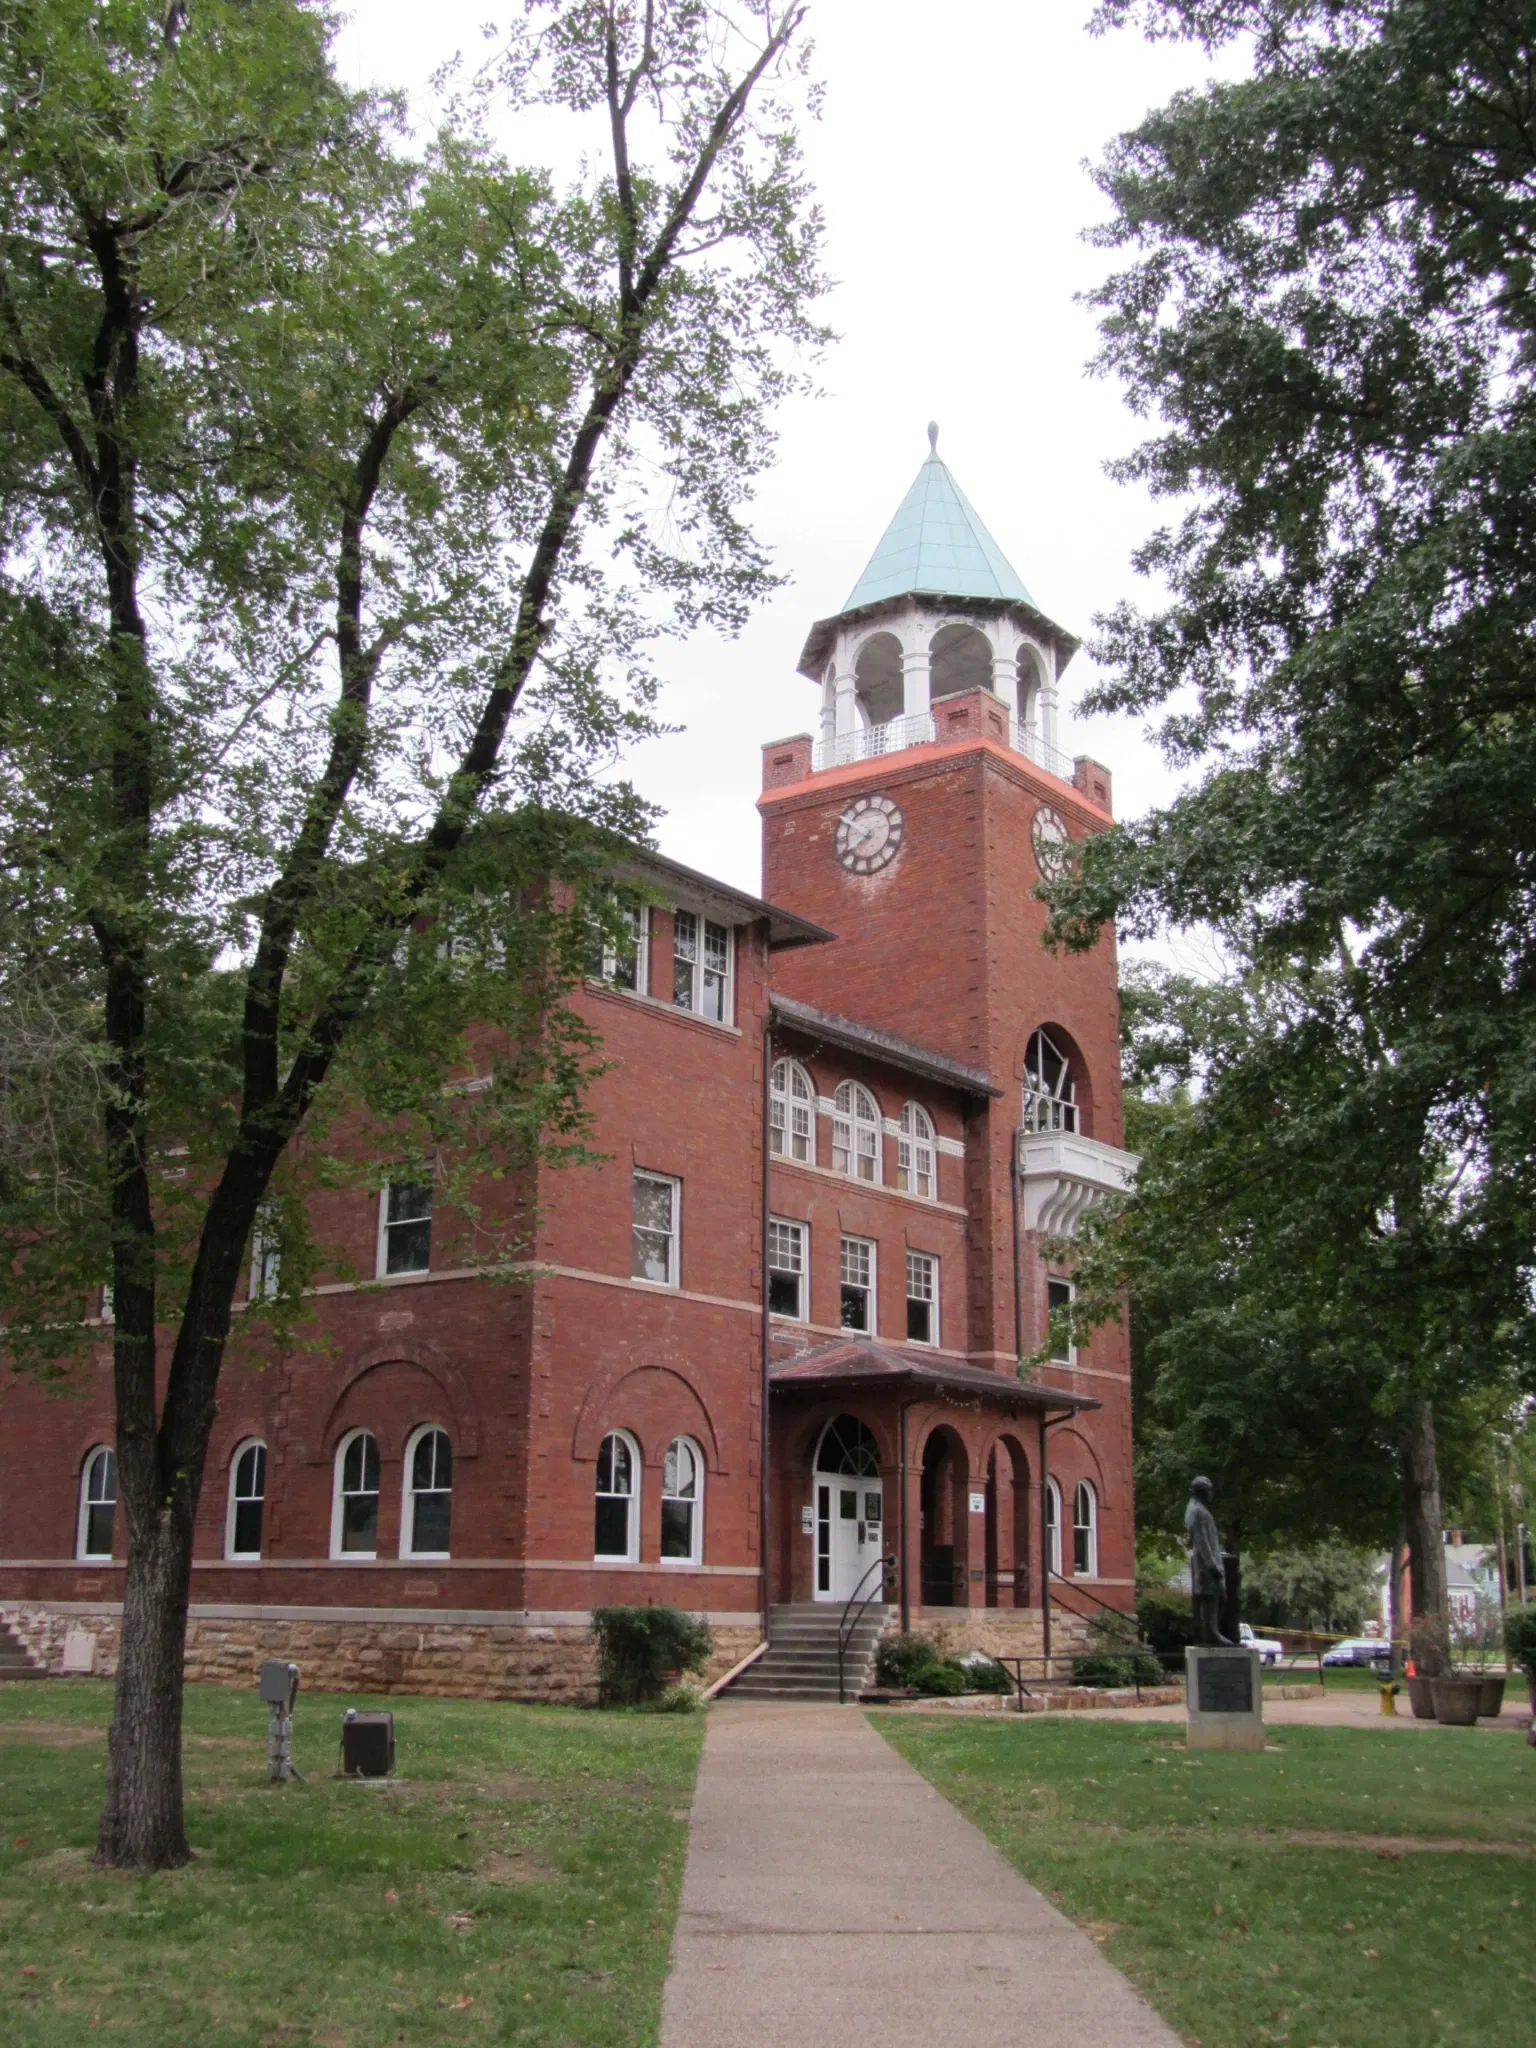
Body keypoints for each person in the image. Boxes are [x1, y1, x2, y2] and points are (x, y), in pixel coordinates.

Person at [1185, 1476, 1233, 1646]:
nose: (1211, 1494)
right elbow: (1202, 1541)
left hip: (1208, 1562)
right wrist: (1213, 1565)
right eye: (1209, 1490)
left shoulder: (1196, 1509)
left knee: (1217, 1596)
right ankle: (1211, 1634)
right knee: (1210, 1596)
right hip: (1207, 1564)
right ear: (1204, 1491)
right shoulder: (1197, 1511)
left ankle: (1212, 1633)